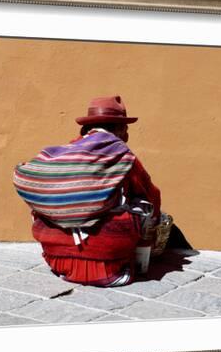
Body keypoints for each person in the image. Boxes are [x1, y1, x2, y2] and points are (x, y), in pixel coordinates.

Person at [13, 95, 169, 287]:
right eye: (125, 129)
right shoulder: (123, 156)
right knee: (141, 207)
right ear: (119, 129)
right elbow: (151, 196)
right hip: (109, 266)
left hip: (58, 261)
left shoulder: (65, 154)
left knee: (51, 207)